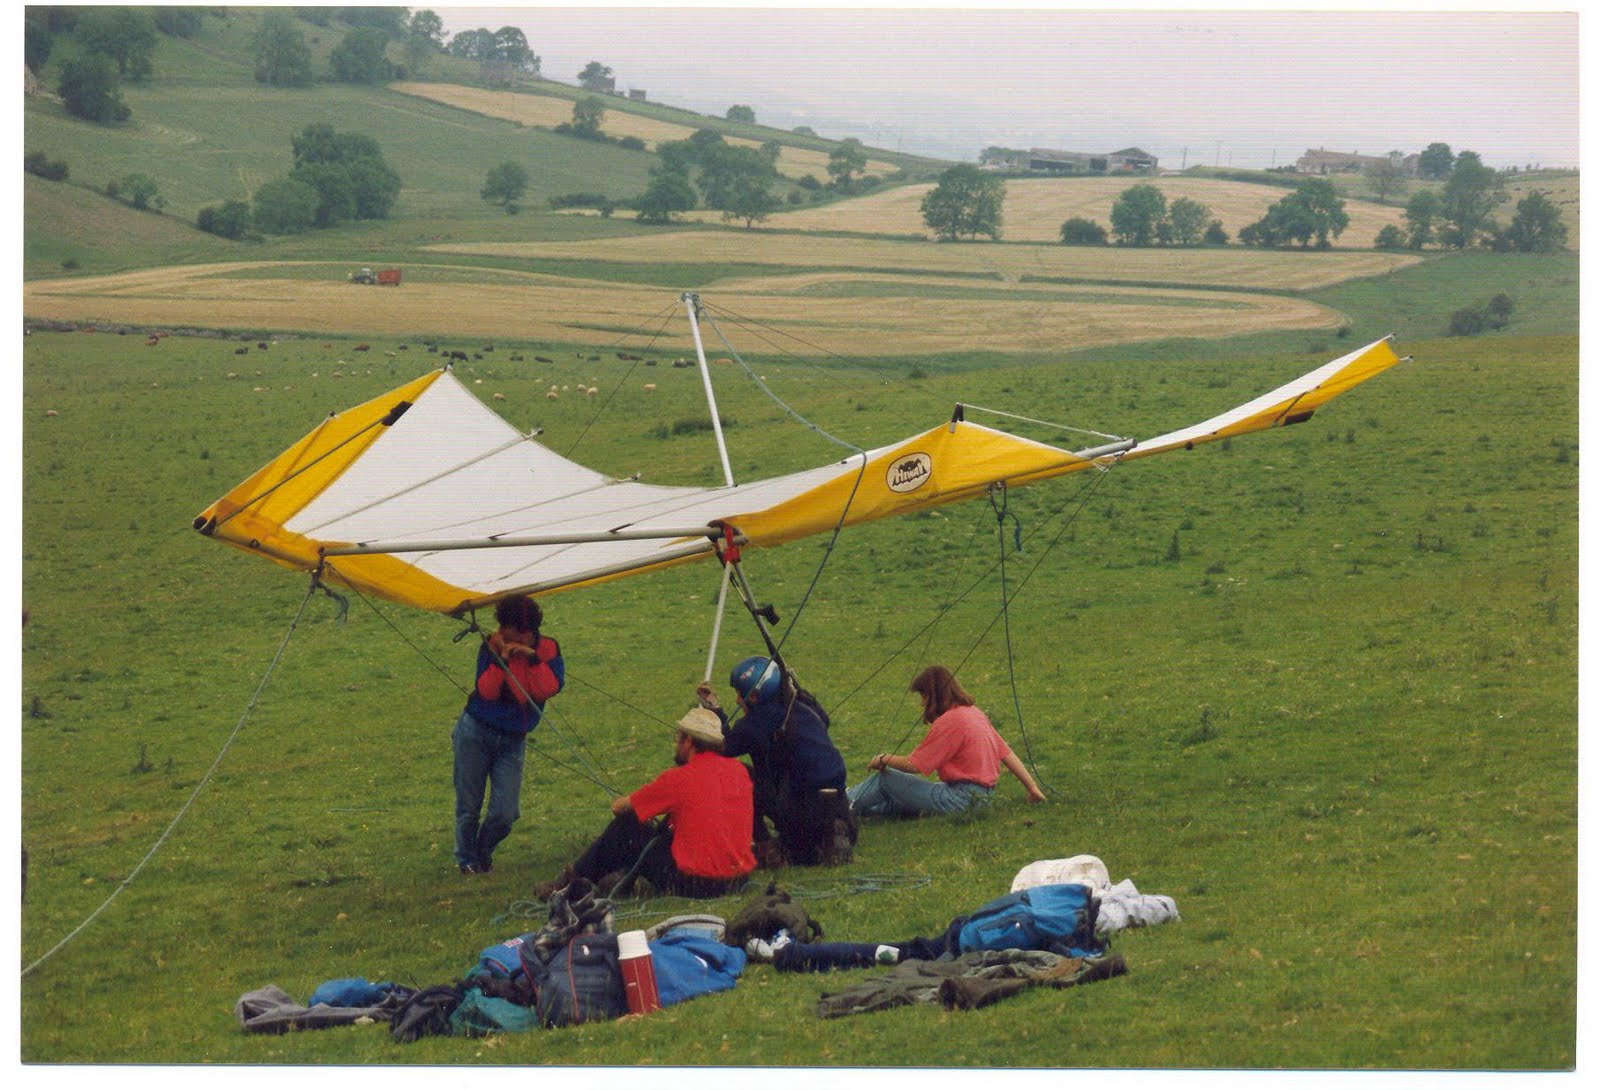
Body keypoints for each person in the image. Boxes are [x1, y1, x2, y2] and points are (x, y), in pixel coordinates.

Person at [536, 707, 756, 900]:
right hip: (738, 880)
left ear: (689, 741)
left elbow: (620, 808)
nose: (676, 744)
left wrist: (632, 805)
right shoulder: (740, 771)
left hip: (696, 885)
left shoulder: (678, 778)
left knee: (628, 825)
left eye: (678, 737)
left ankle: (569, 884)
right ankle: (620, 879)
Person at [698, 656, 855, 867]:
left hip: (802, 804)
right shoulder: (801, 704)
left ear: (754, 696)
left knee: (732, 774)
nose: (737, 700)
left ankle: (766, 847)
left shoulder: (758, 721)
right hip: (838, 801)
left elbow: (723, 748)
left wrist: (714, 711)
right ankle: (832, 829)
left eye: (739, 694)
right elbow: (824, 720)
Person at [453, 595, 564, 875]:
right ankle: (467, 862)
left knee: (505, 814)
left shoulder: (548, 649)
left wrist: (532, 659)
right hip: (475, 731)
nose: (501, 633)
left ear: (526, 632)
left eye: (508, 630)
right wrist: (501, 658)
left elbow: (545, 689)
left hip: (512, 740)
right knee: (469, 807)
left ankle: (482, 850)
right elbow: (487, 692)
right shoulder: (491, 646)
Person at [847, 665, 1046, 818]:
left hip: (960, 798)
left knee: (886, 779)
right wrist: (1032, 788)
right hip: (983, 799)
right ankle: (854, 812)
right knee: (896, 799)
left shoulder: (950, 720)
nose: (922, 703)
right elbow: (1007, 754)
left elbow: (915, 764)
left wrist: (883, 759)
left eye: (922, 696)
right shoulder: (974, 713)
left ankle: (835, 804)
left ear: (931, 694)